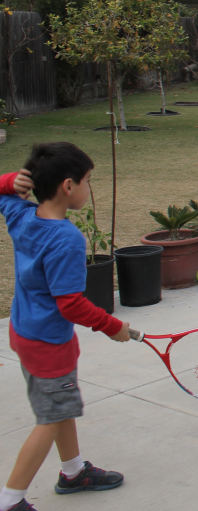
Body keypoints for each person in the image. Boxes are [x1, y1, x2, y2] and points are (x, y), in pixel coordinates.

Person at [0, 143, 130, 511]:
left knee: (61, 407)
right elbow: (70, 303)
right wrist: (112, 325)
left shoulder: (21, 214)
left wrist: (12, 181)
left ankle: (73, 472)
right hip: (48, 344)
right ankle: (10, 500)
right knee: (51, 417)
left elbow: (1, 191)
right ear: (69, 186)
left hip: (26, 333)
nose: (90, 187)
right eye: (89, 180)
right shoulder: (66, 239)